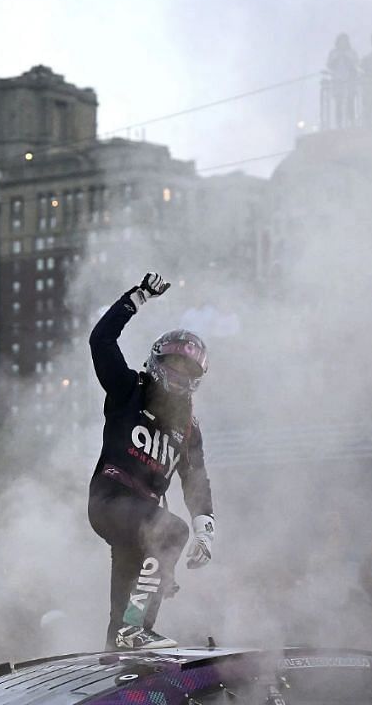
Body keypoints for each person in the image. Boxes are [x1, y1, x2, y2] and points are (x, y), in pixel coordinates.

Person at [87, 273, 214, 650]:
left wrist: (206, 527)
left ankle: (122, 647)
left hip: (139, 515)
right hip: (110, 501)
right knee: (171, 532)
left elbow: (196, 480)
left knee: (124, 612)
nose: (178, 374)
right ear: (157, 360)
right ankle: (132, 629)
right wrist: (137, 297)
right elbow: (101, 341)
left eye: (188, 370)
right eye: (173, 364)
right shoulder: (129, 390)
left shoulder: (188, 428)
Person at [326, 33, 360, 127]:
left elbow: (356, 65)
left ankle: (352, 122)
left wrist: (347, 59)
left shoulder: (352, 52)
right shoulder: (333, 53)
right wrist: (337, 58)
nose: (343, 43)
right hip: (337, 81)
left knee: (350, 101)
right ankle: (339, 124)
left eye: (344, 41)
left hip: (350, 81)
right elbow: (329, 65)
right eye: (341, 41)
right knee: (338, 103)